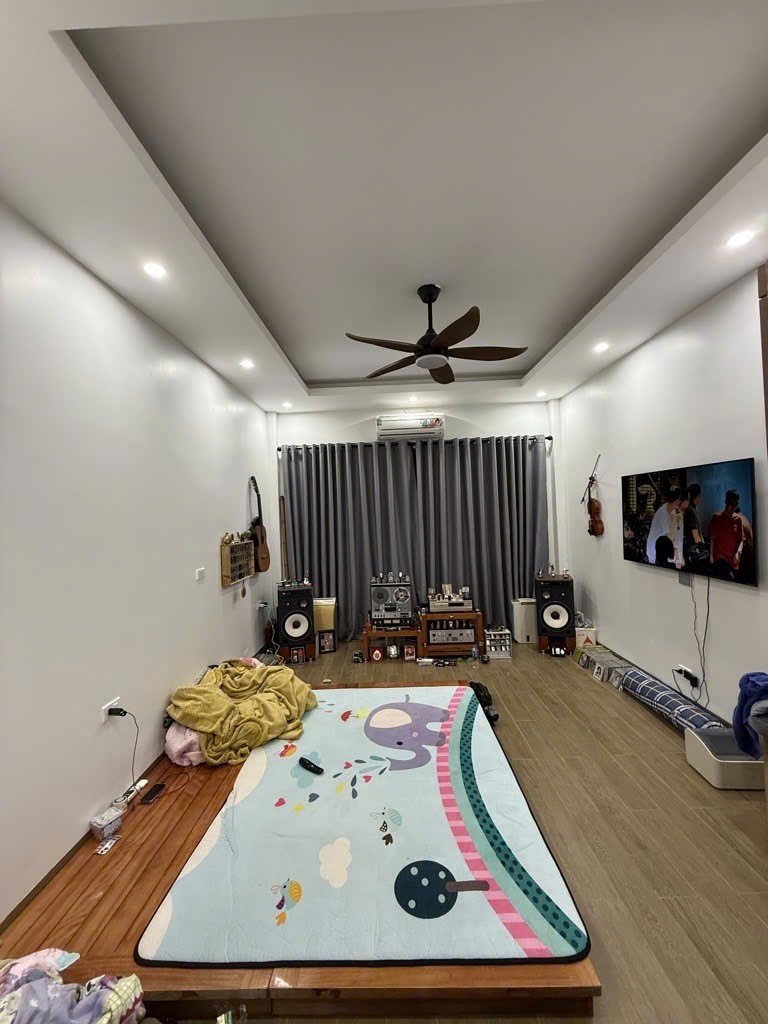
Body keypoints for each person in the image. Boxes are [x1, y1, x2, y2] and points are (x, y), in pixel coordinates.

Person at [709, 489, 744, 579]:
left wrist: (738, 552)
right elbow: (712, 538)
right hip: (719, 560)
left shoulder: (738, 520)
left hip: (732, 561)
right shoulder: (717, 518)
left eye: (735, 505)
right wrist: (711, 555)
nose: (733, 508)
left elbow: (741, 540)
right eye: (731, 504)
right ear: (726, 503)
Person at [645, 487, 682, 565]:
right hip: (655, 552)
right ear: (677, 501)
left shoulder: (667, 509)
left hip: (659, 550)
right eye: (679, 500)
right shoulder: (663, 514)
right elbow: (669, 538)